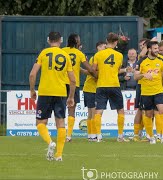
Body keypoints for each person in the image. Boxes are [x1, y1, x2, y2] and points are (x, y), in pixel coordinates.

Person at [29, 31, 76, 161]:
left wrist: (32, 90)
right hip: (61, 93)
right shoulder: (65, 56)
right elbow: (73, 80)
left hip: (45, 92)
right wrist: (71, 97)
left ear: (48, 40)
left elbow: (32, 74)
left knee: (40, 122)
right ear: (61, 40)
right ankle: (59, 155)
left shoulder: (44, 53)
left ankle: (50, 143)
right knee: (60, 123)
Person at [134, 41, 163, 144]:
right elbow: (136, 76)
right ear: (149, 49)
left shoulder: (161, 61)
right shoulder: (142, 61)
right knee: (148, 114)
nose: (157, 50)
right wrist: (143, 75)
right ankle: (150, 136)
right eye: (155, 49)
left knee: (162, 111)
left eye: (157, 48)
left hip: (159, 91)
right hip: (146, 92)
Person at [92, 32, 132, 142]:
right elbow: (116, 70)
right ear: (115, 42)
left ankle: (99, 136)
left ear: (106, 41)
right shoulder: (119, 55)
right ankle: (120, 136)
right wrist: (124, 70)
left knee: (98, 111)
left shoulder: (98, 54)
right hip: (114, 85)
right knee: (120, 110)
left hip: (101, 85)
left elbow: (93, 69)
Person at [62, 33, 95, 142]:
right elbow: (89, 68)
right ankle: (69, 136)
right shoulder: (79, 53)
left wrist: (81, 70)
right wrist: (96, 73)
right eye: (79, 40)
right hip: (73, 84)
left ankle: (61, 133)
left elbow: (70, 66)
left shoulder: (63, 51)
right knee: (71, 109)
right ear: (76, 41)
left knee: (60, 108)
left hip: (61, 82)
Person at [83, 41, 107, 142]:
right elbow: (94, 73)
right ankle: (93, 135)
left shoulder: (99, 58)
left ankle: (90, 135)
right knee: (93, 112)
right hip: (91, 88)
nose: (105, 49)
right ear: (98, 47)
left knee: (91, 112)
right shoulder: (96, 58)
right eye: (104, 47)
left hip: (91, 88)